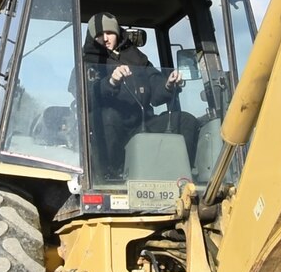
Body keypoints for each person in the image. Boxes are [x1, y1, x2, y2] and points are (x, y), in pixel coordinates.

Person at [82, 12, 197, 178]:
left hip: (142, 124)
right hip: (111, 130)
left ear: (117, 33)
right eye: (99, 35)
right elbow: (84, 98)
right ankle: (111, 177)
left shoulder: (136, 57)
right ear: (92, 38)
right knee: (108, 117)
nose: (105, 38)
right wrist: (111, 82)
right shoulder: (87, 61)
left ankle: (179, 177)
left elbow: (155, 87)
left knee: (185, 120)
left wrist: (168, 84)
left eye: (109, 33)